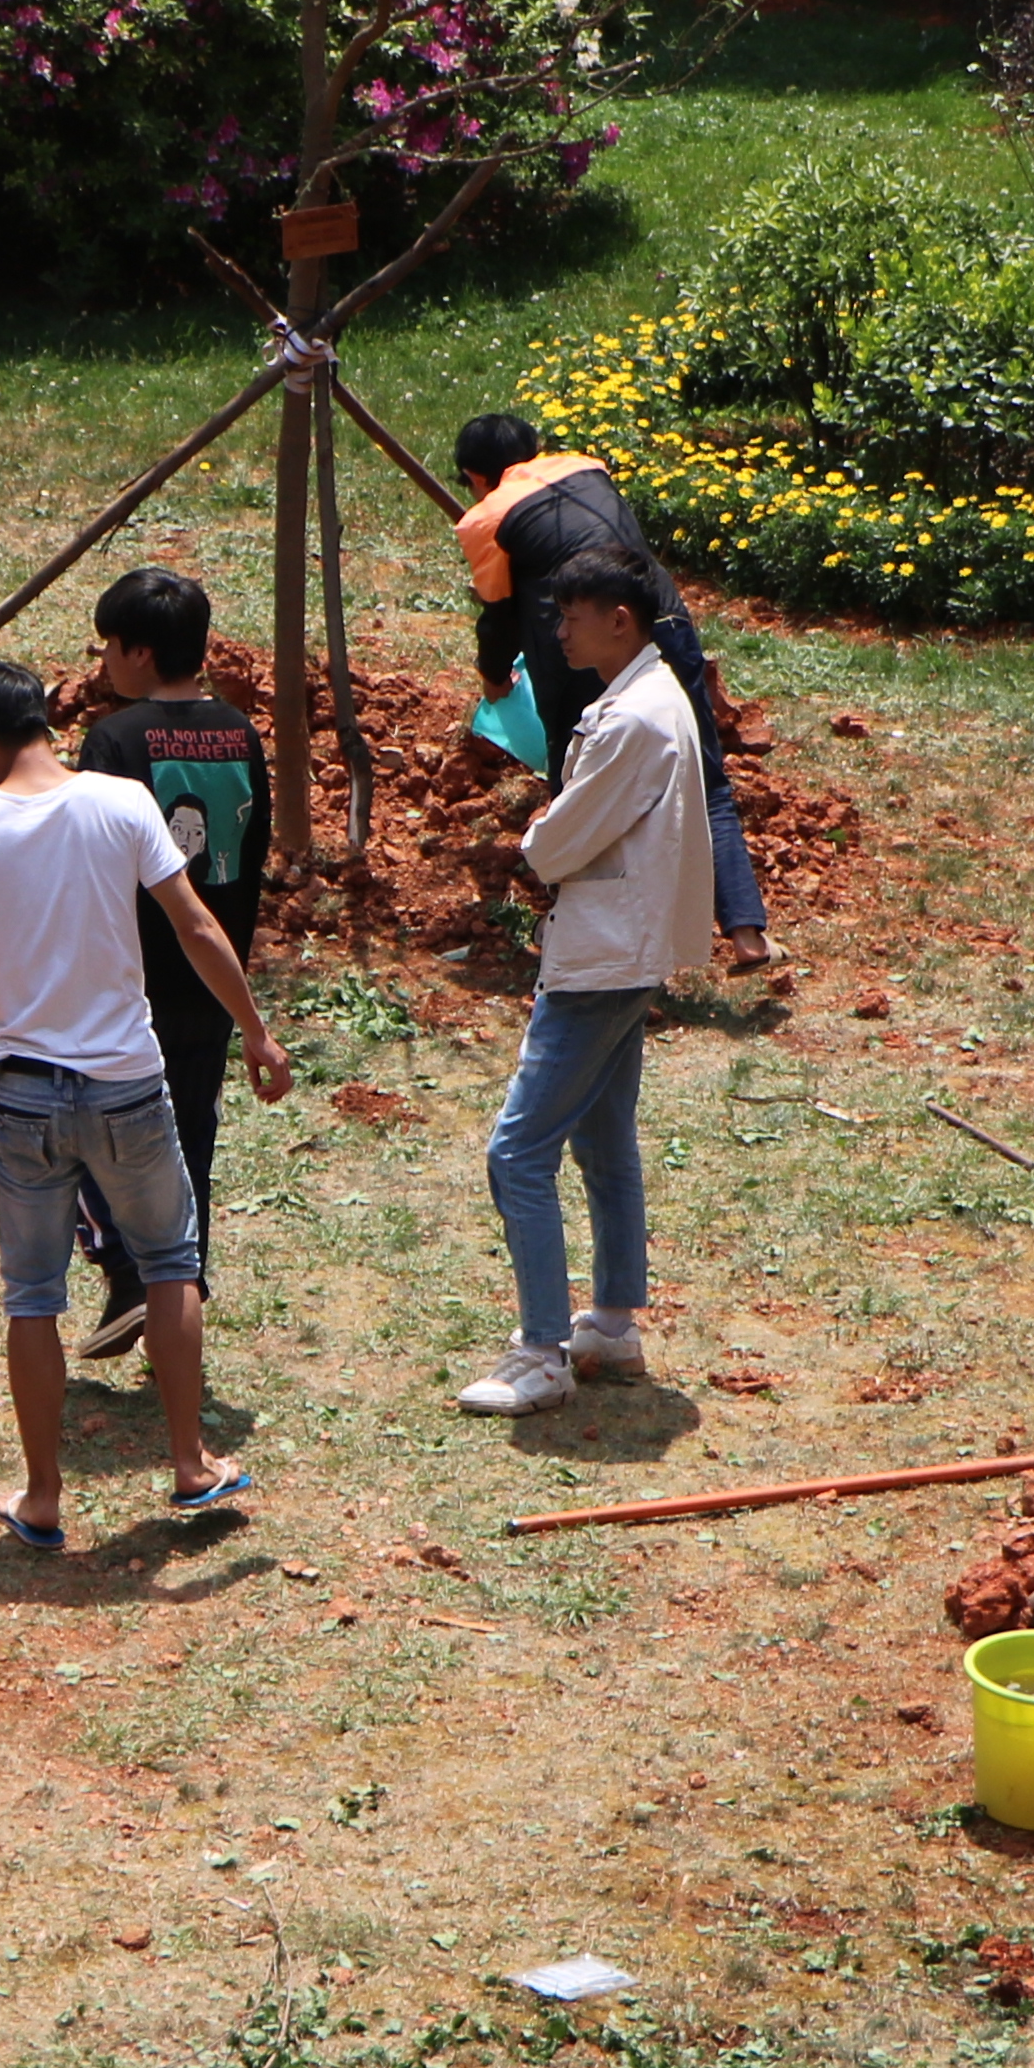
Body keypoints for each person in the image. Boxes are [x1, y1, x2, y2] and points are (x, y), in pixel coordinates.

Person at [0, 661, 291, 1548]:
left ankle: (42, 1497)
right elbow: (194, 926)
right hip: (126, 1084)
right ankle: (191, 1465)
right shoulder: (120, 804)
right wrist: (256, 1032)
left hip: (26, 1096)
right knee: (169, 1265)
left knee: (32, 1297)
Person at [459, 551, 718, 1418]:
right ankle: (610, 1319)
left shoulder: (631, 720)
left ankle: (540, 1352)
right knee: (603, 1140)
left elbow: (559, 843)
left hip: (603, 954)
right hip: (628, 949)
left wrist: (527, 845)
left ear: (621, 619)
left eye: (572, 616)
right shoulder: (653, 698)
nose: (558, 630)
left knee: (517, 1151)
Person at [448, 410, 770, 964]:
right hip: (663, 618)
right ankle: (746, 933)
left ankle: (570, 933)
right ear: (538, 447)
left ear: (475, 477)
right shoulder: (585, 467)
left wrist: (495, 679)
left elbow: (497, 618)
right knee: (705, 776)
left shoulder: (486, 518)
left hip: (587, 647)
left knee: (576, 780)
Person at [68, 567, 268, 1354]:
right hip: (215, 970)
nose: (102, 662)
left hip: (133, 973)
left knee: (95, 1128)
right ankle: (179, 1293)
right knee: (191, 1133)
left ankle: (128, 1272)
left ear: (140, 652)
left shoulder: (115, 740)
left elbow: (91, 859)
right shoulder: (241, 733)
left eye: (107, 646)